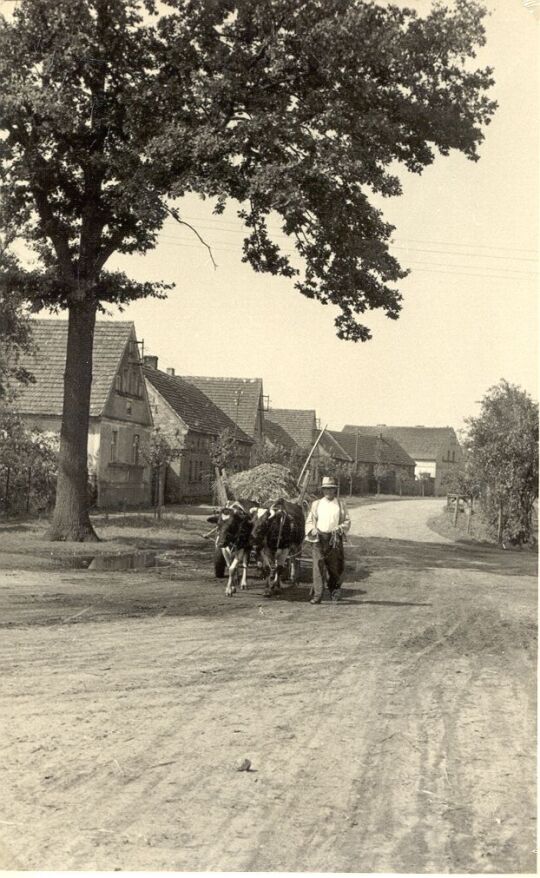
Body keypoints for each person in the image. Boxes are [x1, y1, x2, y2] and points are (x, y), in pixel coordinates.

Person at [305, 476, 351, 604]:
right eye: (326, 489)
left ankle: (334, 592)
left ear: (334, 490)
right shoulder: (316, 504)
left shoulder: (341, 504)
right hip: (319, 539)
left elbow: (347, 521)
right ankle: (318, 595)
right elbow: (309, 520)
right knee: (318, 566)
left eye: (331, 489)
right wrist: (312, 529)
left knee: (334, 567)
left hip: (334, 539)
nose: (328, 492)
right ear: (323, 490)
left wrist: (339, 529)